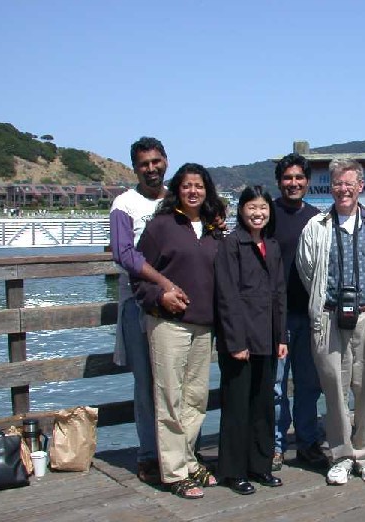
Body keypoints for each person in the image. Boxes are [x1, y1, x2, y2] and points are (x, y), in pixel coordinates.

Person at [296, 157, 365, 486]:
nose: (343, 190)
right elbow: (308, 271)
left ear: (361, 187)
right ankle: (340, 454)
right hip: (329, 316)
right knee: (334, 389)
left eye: (349, 184)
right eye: (337, 183)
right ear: (331, 187)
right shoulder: (317, 226)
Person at [133, 163, 226, 499]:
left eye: (199, 186)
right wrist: (161, 295)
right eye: (187, 185)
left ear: (207, 190)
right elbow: (138, 277)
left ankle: (188, 460)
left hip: (204, 325)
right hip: (167, 324)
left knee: (195, 398)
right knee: (169, 397)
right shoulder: (161, 226)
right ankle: (172, 472)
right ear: (177, 189)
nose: (193, 191)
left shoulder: (215, 229)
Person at [110, 136, 183, 485]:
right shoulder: (124, 204)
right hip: (137, 306)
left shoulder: (177, 198)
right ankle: (148, 455)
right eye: (144, 164)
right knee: (146, 384)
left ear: (166, 160)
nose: (151, 169)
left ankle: (179, 452)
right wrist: (164, 283)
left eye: (156, 161)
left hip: (178, 307)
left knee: (176, 383)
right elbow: (124, 255)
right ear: (135, 168)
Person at [215, 186, 288, 496]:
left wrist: (281, 335)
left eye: (263, 208)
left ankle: (260, 466)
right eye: (251, 207)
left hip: (268, 340)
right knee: (237, 406)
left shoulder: (271, 246)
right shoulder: (231, 244)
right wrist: (236, 341)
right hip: (240, 341)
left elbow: (279, 294)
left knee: (263, 405)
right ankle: (233, 471)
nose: (258, 213)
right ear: (241, 210)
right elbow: (227, 295)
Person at [272, 154, 328, 472]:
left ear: (307, 181)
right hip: (275, 317)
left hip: (309, 314)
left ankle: (307, 442)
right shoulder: (268, 214)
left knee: (309, 384)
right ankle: (276, 445)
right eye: (287, 178)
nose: (293, 183)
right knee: (275, 387)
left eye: (299, 177)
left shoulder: (317, 218)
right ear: (279, 181)